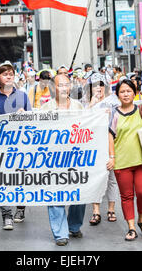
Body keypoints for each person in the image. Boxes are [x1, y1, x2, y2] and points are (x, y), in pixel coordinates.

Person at [109, 79, 142, 241]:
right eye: (122, 91)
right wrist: (112, 157)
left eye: (128, 91)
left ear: (134, 93)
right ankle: (131, 227)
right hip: (121, 163)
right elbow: (110, 136)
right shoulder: (114, 113)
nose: (125, 94)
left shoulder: (140, 109)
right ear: (117, 95)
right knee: (126, 196)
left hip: (140, 162)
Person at [0, 61, 32, 229]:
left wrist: (24, 115)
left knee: (21, 179)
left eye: (11, 73)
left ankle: (20, 208)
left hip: (20, 146)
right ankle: (6, 215)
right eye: (5, 74)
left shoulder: (23, 96)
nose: (9, 76)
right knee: (1, 181)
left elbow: (31, 121)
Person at [40, 74, 86, 246]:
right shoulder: (46, 108)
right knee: (55, 194)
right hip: (54, 158)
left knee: (80, 194)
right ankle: (60, 233)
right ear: (53, 87)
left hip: (76, 157)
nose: (64, 88)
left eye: (67, 84)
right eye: (60, 85)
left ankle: (74, 226)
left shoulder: (78, 106)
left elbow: (87, 128)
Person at [85, 73, 120, 225]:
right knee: (96, 179)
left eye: (100, 84)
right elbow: (82, 122)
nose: (98, 88)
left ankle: (111, 209)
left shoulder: (113, 101)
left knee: (112, 179)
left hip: (112, 143)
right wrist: (92, 105)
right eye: (94, 85)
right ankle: (96, 210)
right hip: (94, 145)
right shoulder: (87, 102)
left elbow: (120, 118)